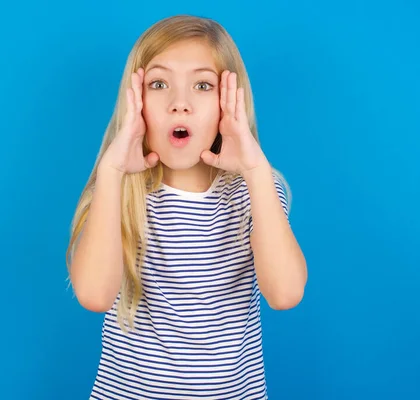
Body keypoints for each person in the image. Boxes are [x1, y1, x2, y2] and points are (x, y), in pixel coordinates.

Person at [66, 14, 308, 400]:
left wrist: (255, 169)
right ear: (136, 102)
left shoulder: (254, 190)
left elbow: (285, 294)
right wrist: (110, 171)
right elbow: (94, 295)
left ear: (229, 103)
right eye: (159, 84)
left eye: (202, 85)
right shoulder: (119, 191)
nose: (180, 104)